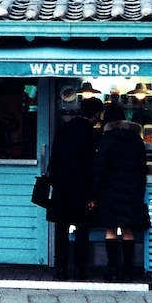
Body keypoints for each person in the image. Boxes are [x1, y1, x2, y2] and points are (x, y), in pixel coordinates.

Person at [90, 103, 150, 281]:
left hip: (109, 191)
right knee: (128, 230)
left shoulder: (106, 139)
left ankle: (112, 269)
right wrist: (140, 190)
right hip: (131, 190)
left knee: (110, 229)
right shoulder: (136, 139)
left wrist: (94, 194)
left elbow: (99, 168)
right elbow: (142, 168)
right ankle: (129, 270)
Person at [47, 95, 103, 279]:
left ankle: (60, 269)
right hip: (82, 188)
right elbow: (93, 166)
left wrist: (54, 181)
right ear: (95, 115)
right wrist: (93, 194)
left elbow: (54, 159)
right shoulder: (92, 134)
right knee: (82, 231)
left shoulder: (63, 129)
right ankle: (80, 270)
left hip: (62, 187)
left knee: (61, 230)